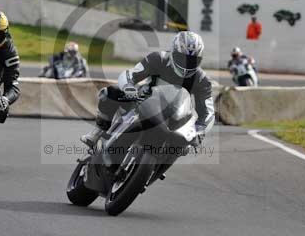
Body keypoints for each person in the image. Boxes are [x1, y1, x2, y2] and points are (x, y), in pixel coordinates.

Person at [81, 31, 214, 148]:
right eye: (182, 58)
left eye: (192, 61)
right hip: (142, 101)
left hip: (174, 117)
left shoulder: (202, 79)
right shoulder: (158, 58)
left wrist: (199, 131)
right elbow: (130, 74)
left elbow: (208, 112)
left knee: (185, 145)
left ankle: (161, 164)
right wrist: (129, 88)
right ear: (173, 52)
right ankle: (98, 131)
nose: (186, 65)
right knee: (110, 93)